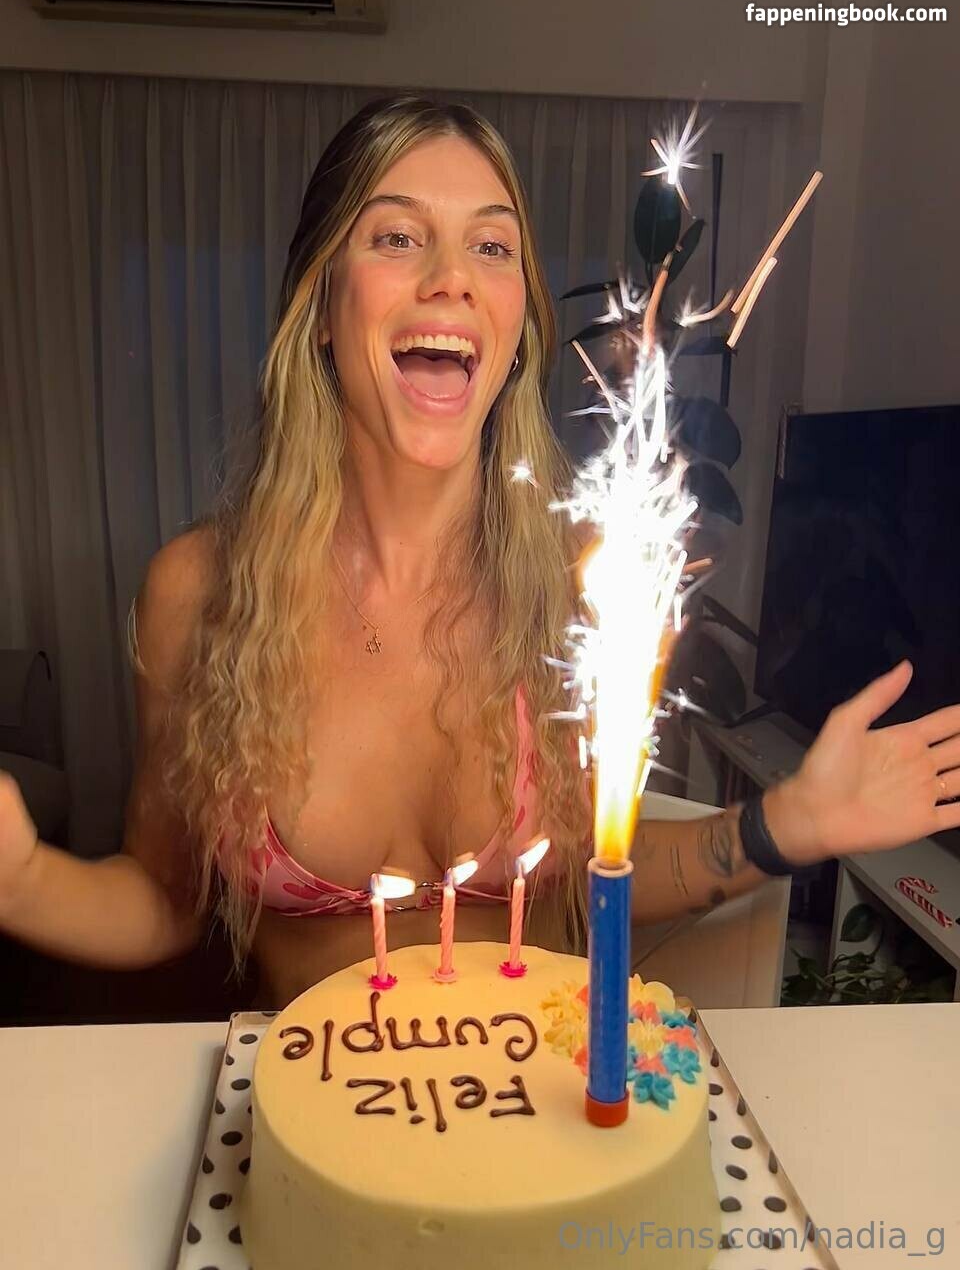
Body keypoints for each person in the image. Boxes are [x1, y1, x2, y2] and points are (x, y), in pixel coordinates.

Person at [0, 95, 958, 1011]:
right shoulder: (199, 592)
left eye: (491, 246)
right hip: (310, 1110)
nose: (450, 277)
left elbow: (602, 872)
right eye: (397, 237)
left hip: (529, 1106)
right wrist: (25, 880)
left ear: (517, 328)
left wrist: (791, 822)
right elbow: (164, 901)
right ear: (321, 305)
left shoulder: (590, 586)